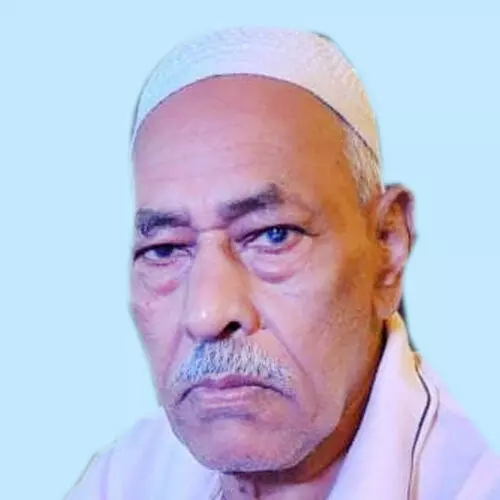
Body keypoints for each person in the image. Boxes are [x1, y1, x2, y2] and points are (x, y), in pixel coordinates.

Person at [65, 26, 500, 499]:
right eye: (165, 250)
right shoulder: (125, 479)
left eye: (273, 235)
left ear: (387, 248)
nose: (207, 314)